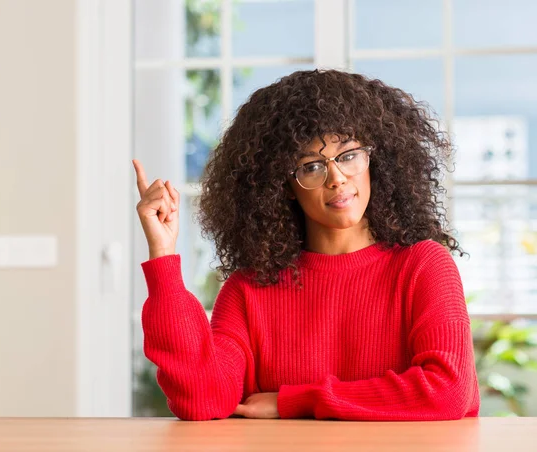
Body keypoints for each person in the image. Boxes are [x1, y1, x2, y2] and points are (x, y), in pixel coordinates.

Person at [133, 69, 480, 421]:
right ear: (281, 185)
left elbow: (447, 392)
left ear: (376, 158)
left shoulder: (423, 265)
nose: (337, 178)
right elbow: (201, 400)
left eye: (348, 155)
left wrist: (297, 401)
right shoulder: (249, 290)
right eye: (311, 166)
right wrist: (163, 258)